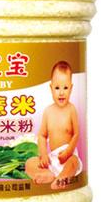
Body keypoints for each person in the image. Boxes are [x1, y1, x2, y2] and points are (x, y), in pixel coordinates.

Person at [25, 61, 83, 189]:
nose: (61, 92)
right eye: (57, 88)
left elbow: (76, 134)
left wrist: (68, 152)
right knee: (29, 163)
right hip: (52, 159)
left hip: (68, 156)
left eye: (65, 88)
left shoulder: (71, 109)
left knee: (73, 162)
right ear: (51, 88)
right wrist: (44, 155)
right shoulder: (48, 111)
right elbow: (42, 136)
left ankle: (62, 178)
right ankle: (47, 175)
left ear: (71, 88)